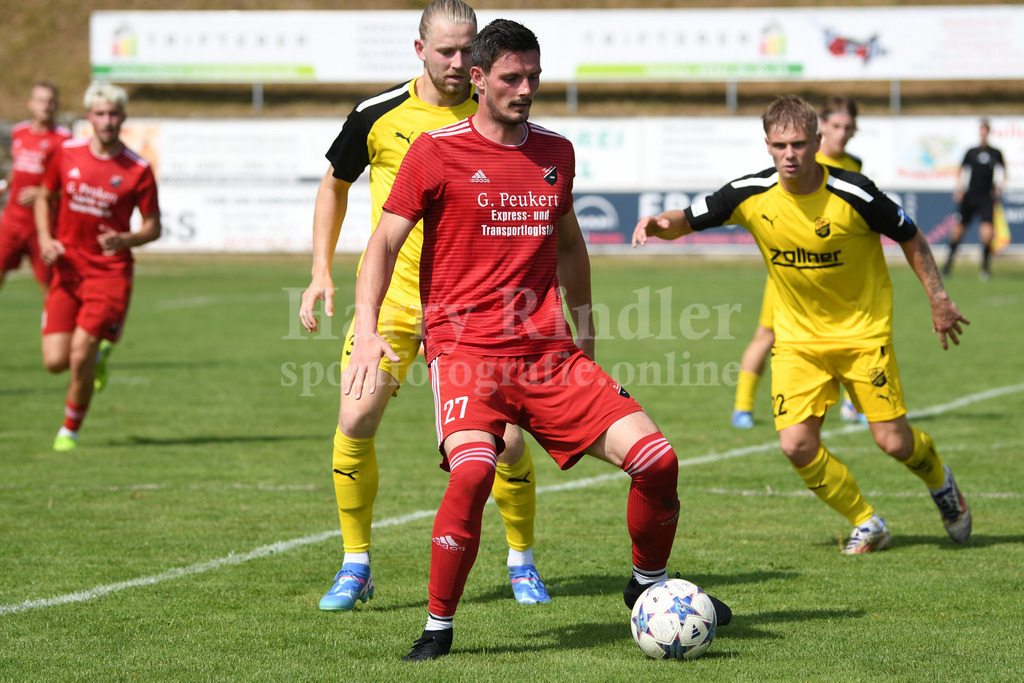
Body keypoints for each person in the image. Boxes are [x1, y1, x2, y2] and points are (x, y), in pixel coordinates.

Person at [345, 19, 731, 661]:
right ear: (478, 78)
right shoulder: (436, 151)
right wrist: (364, 329)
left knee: (659, 461)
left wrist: (585, 325)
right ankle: (438, 627)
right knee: (473, 473)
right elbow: (383, 242)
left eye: (534, 77)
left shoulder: (557, 152)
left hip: (549, 355)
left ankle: (646, 587)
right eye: (511, 78)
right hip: (465, 352)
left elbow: (572, 243)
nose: (525, 89)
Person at [634, 95, 972, 556]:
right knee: (796, 445)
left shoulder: (855, 192)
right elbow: (688, 220)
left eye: (797, 144)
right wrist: (657, 224)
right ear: (767, 146)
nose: (789, 154)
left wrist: (939, 299)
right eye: (779, 145)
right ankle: (866, 520)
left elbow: (909, 234)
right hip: (796, 342)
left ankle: (941, 482)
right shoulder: (749, 193)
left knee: (893, 441)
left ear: (816, 142)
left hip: (862, 334)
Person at [298, 0, 549, 611]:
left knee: (507, 443)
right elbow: (334, 184)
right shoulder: (378, 115)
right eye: (447, 52)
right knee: (355, 420)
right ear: (420, 51)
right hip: (389, 302)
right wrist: (318, 272)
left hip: (471, 309)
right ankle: (356, 563)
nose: (461, 63)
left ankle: (521, 557)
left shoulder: (493, 111)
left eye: (470, 51)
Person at [35, 81, 161, 451]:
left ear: (123, 117)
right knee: (55, 361)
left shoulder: (137, 169)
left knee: (79, 355)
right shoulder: (66, 153)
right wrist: (45, 239)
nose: (107, 121)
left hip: (109, 274)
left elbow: (154, 225)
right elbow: (44, 196)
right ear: (89, 117)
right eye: (100, 113)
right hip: (68, 271)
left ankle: (69, 431)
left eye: (114, 114)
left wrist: (125, 239)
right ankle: (99, 356)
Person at [731, 95, 865, 429]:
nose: (842, 133)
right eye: (836, 126)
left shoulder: (854, 166)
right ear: (822, 130)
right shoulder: (798, 161)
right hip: (791, 276)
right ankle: (742, 408)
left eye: (848, 127)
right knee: (766, 336)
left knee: (852, 334)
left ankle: (853, 404)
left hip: (833, 276)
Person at [0, 82, 71, 296]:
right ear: (30, 104)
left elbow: (70, 184)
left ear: (56, 105)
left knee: (49, 286)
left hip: (43, 226)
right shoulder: (19, 132)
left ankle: (52, 327)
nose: (45, 106)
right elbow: (18, 167)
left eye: (50, 102)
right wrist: (6, 185)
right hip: (12, 222)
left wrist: (42, 193)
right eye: (40, 100)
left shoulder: (63, 139)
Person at [943, 118, 1006, 281]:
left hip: (986, 197)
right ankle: (947, 265)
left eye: (986, 130)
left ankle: (985, 268)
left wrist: (999, 187)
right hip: (970, 195)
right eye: (981, 130)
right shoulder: (971, 152)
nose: (983, 133)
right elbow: (960, 170)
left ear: (989, 132)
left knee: (986, 233)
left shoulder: (995, 152)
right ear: (980, 132)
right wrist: (959, 189)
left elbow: (1004, 172)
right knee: (958, 231)